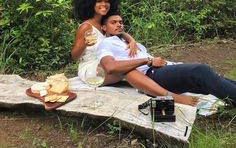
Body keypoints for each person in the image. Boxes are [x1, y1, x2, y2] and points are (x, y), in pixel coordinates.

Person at [97, 13, 236, 106]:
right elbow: (110, 67)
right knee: (201, 71)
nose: (119, 25)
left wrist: (131, 40)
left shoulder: (123, 40)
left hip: (163, 68)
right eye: (113, 22)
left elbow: (122, 34)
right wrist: (148, 61)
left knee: (212, 80)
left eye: (121, 22)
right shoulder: (106, 43)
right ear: (104, 27)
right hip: (152, 75)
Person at [71, 0, 137, 84]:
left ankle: (163, 96)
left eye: (107, 1)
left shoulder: (105, 23)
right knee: (129, 69)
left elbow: (120, 32)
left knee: (132, 67)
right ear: (90, 3)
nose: (104, 4)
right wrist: (84, 44)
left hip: (109, 63)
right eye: (99, 1)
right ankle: (166, 97)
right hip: (93, 68)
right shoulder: (86, 27)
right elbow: (74, 56)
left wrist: (132, 41)